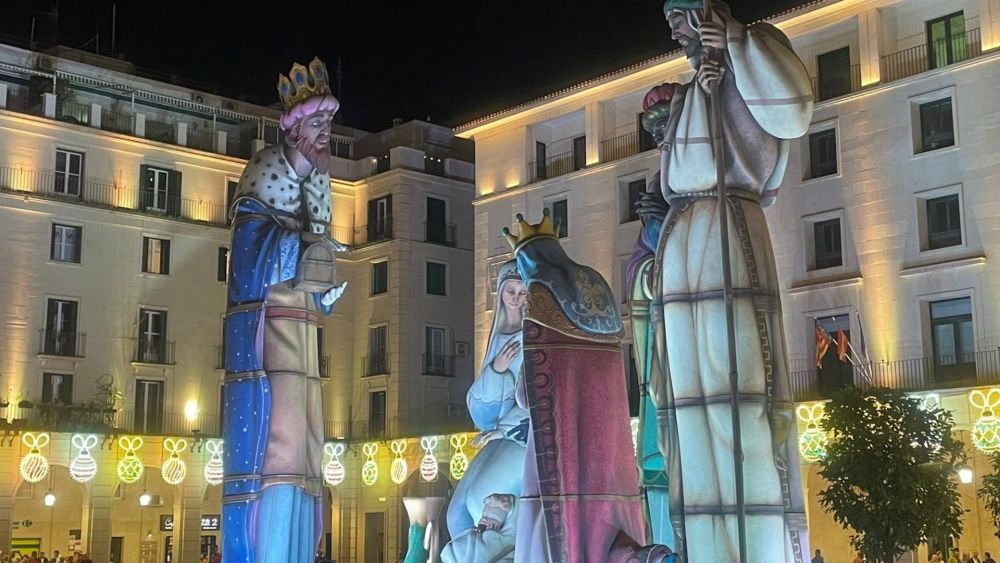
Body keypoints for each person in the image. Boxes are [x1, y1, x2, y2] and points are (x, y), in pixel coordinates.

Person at [630, 1, 813, 561]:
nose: (674, 31)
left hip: (726, 230)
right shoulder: (693, 90)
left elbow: (793, 114)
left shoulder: (755, 45)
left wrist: (733, 40)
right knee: (690, 406)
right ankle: (707, 544)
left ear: (705, 11)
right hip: (684, 241)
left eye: (680, 17)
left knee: (741, 388)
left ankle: (757, 544)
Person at [222, 56, 348, 563]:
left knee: (307, 448)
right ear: (295, 129)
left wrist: (323, 296)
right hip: (270, 334)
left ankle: (297, 550)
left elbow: (313, 262)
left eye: (329, 124)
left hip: (304, 334)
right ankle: (271, 551)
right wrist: (301, 249)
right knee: (279, 447)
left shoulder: (320, 186)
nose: (326, 133)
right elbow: (248, 258)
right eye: (318, 124)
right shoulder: (263, 173)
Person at [442, 261, 529, 562]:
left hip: (523, 432)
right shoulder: (498, 337)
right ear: (501, 292)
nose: (516, 298)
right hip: (499, 433)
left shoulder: (536, 336)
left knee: (480, 501)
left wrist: (505, 428)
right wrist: (496, 370)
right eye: (510, 290)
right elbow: (481, 410)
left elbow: (539, 393)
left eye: (522, 292)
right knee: (455, 515)